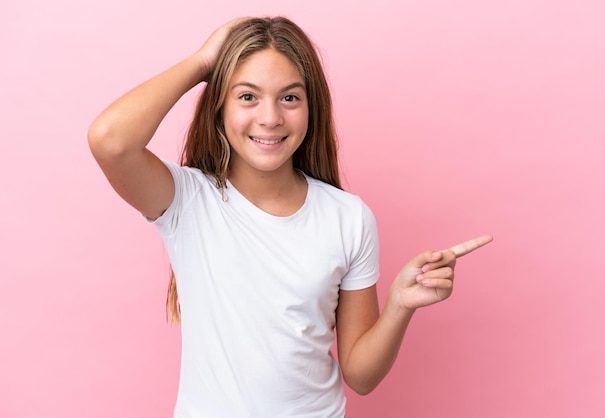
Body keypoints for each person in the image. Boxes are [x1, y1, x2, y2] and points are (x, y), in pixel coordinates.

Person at [88, 16, 492, 418]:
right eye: (247, 96)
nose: (270, 118)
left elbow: (361, 375)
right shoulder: (188, 201)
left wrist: (400, 305)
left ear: (311, 106)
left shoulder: (348, 218)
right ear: (219, 107)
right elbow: (111, 140)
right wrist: (203, 62)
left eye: (289, 98)